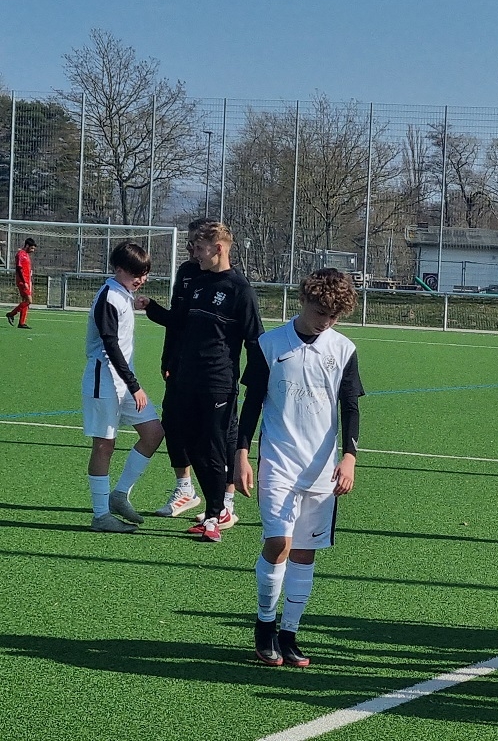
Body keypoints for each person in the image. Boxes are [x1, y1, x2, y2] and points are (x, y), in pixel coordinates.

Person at [235, 268, 364, 668]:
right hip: (278, 461)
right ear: (303, 300)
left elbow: (350, 407)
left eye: (334, 316)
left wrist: (349, 457)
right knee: (279, 543)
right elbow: (251, 404)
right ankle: (264, 625)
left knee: (305, 553)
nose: (326, 321)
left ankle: (289, 633)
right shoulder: (269, 344)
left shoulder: (344, 349)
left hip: (322, 468)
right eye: (321, 312)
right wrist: (241, 454)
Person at [165, 222, 263, 542]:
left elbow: (255, 341)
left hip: (218, 382)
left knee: (214, 449)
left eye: (200, 248)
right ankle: (213, 509)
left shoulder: (240, 290)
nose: (195, 253)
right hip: (187, 379)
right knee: (190, 444)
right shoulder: (198, 282)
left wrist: (255, 382)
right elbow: (180, 325)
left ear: (218, 248)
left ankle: (214, 516)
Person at [82, 241, 165, 532]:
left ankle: (120, 494)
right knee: (104, 445)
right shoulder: (108, 297)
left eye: (144, 273)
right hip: (104, 378)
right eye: (136, 274)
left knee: (153, 433)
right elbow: (110, 346)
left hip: (122, 379)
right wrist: (135, 385)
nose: (142, 279)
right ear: (118, 269)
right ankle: (101, 515)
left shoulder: (122, 293)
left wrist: (136, 303)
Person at [140, 219, 207, 518]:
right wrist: (167, 359)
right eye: (189, 243)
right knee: (173, 424)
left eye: (196, 243)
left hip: (210, 371)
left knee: (212, 433)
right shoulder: (186, 271)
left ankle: (224, 501)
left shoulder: (228, 281)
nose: (191, 249)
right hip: (180, 365)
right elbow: (177, 321)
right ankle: (185, 488)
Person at [7, 237, 37, 329]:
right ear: (27, 245)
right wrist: (24, 282)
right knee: (29, 300)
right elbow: (19, 268)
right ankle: (11, 314)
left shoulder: (26, 255)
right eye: (32, 248)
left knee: (25, 301)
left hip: (27, 281)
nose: (32, 250)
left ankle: (21, 323)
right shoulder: (21, 254)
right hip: (22, 281)